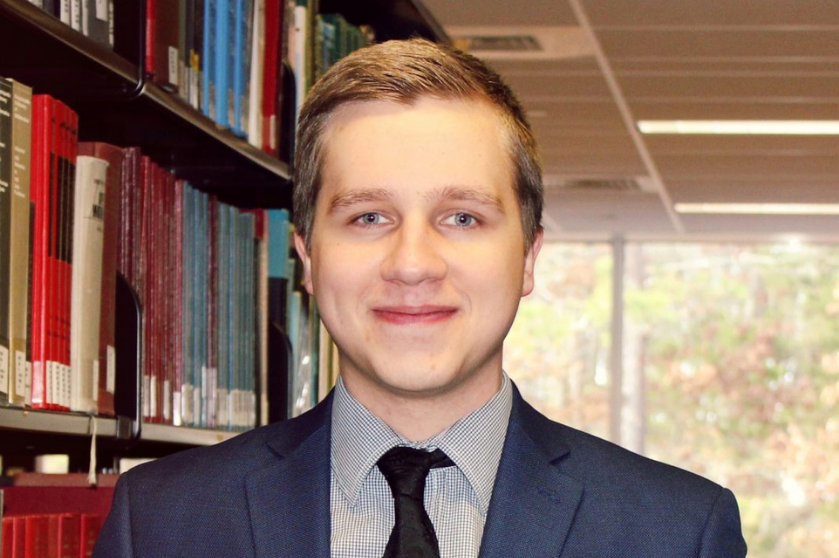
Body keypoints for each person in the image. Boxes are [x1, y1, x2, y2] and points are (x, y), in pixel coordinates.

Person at [93, 39, 747, 558]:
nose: (411, 264)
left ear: (528, 256)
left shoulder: (676, 532)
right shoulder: (161, 523)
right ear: (308, 259)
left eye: (462, 217)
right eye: (368, 217)